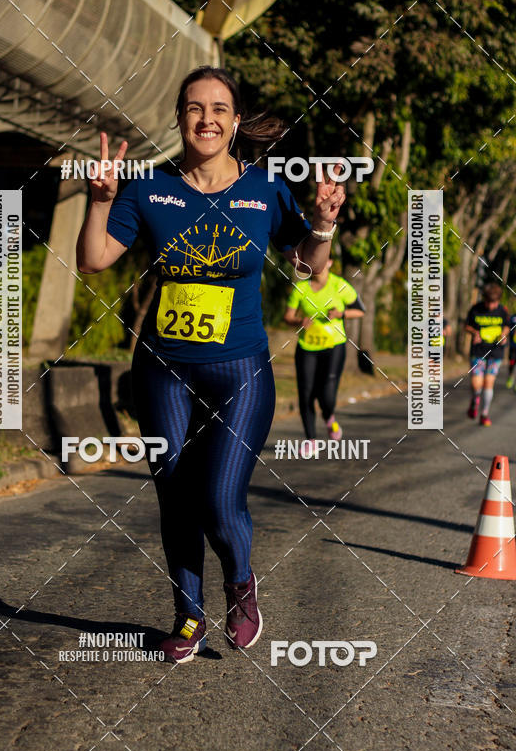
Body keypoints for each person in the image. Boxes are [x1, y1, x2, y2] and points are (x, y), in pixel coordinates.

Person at [76, 66, 345, 663]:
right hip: (162, 369)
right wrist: (100, 201)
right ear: (179, 118)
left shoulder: (266, 190)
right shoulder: (149, 189)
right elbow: (93, 259)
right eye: (195, 108)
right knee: (174, 493)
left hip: (240, 371)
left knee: (221, 500)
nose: (207, 119)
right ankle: (188, 616)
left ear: (235, 121)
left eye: (219, 109)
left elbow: (307, 264)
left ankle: (241, 582)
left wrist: (323, 223)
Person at [283, 259, 365, 452]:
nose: (316, 264)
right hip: (307, 347)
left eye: (321, 259)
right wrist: (299, 321)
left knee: (326, 395)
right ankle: (310, 440)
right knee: (305, 394)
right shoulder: (301, 288)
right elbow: (287, 316)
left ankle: (328, 417)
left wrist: (341, 314)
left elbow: (360, 311)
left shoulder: (339, 285)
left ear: (329, 262)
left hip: (333, 346)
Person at [465, 284, 510, 425]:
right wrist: (474, 333)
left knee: (489, 382)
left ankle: (484, 414)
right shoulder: (476, 309)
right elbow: (467, 326)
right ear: (484, 299)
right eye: (488, 302)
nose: (491, 306)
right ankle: (475, 398)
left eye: (494, 303)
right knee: (476, 382)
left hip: (496, 352)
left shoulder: (502, 310)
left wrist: (504, 335)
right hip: (478, 351)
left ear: (498, 301)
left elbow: (507, 326)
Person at [505, 310, 516, 389]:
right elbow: (507, 328)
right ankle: (511, 376)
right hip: (513, 346)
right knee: (512, 363)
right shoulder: (513, 317)